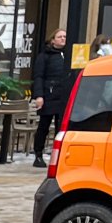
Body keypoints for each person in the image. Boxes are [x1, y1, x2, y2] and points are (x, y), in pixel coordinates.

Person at [32, 28, 71, 167]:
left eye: (65, 36)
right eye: (60, 36)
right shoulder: (45, 56)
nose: (63, 39)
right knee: (44, 126)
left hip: (63, 95)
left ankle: (59, 155)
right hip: (49, 94)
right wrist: (39, 96)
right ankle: (38, 154)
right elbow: (38, 77)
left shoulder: (69, 55)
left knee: (61, 127)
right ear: (53, 39)